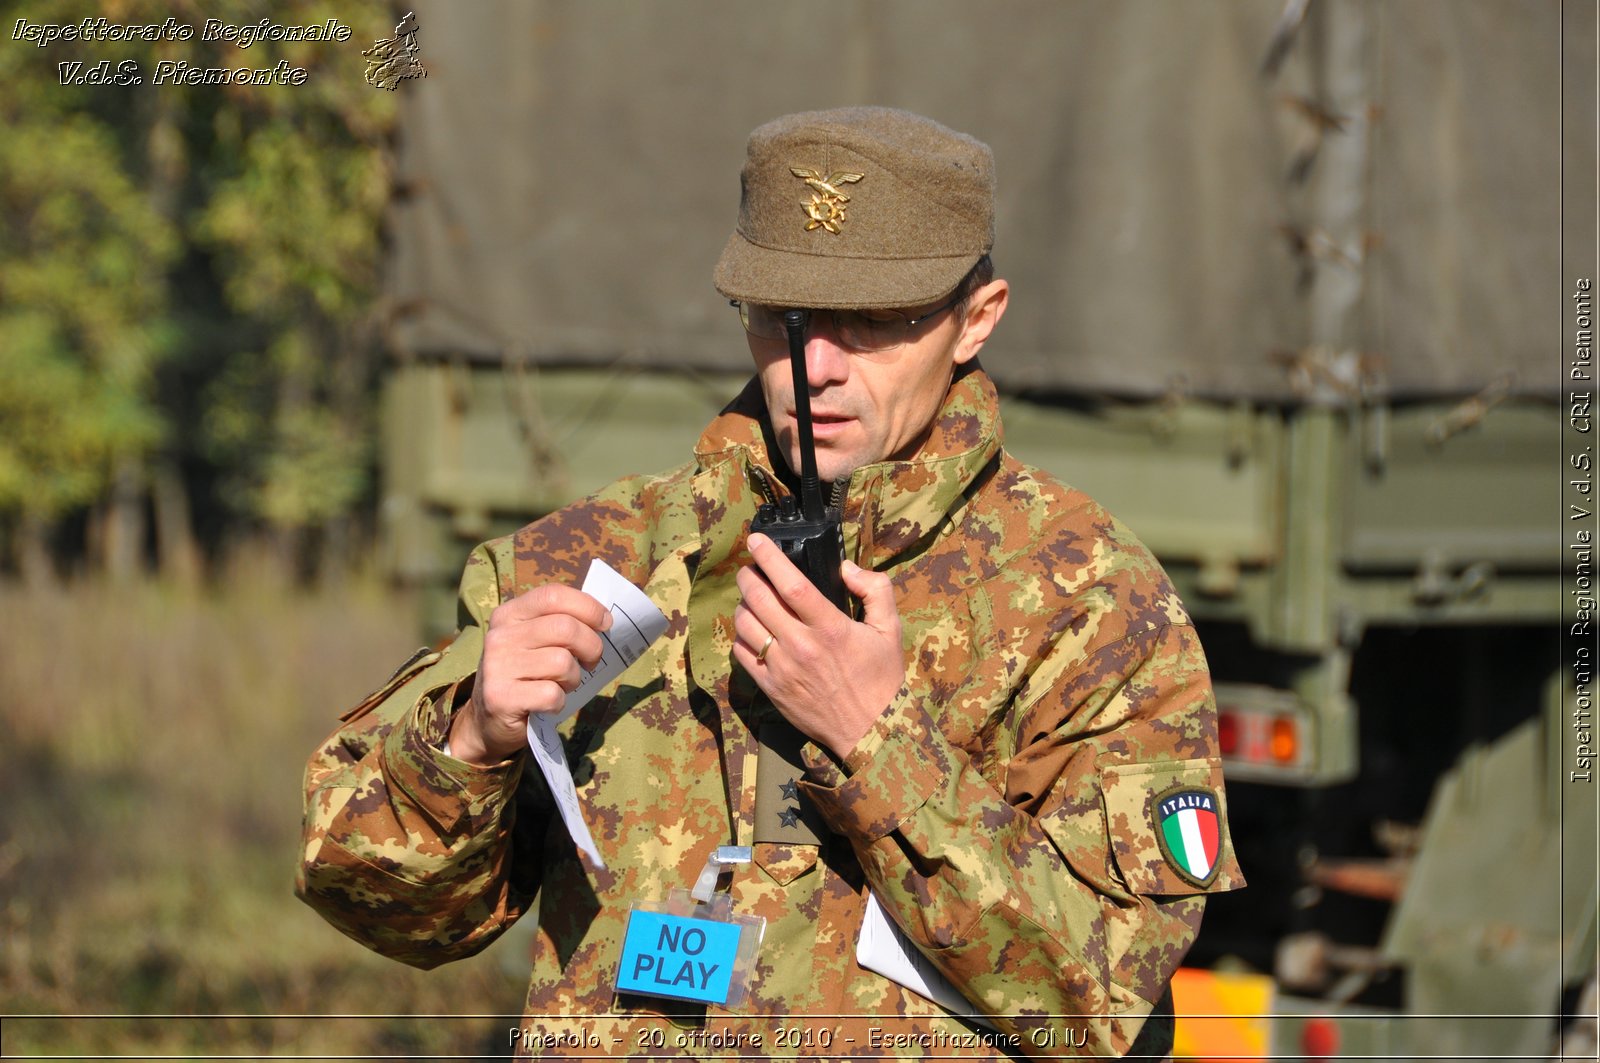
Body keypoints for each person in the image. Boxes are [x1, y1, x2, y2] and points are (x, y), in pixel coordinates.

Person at [297, 106, 1243, 1059]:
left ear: (976, 320)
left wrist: (880, 746)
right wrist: (473, 739)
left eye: (874, 322)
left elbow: (1100, 1003)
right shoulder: (601, 559)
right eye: (786, 319)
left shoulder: (1092, 604)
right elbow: (374, 900)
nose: (818, 368)